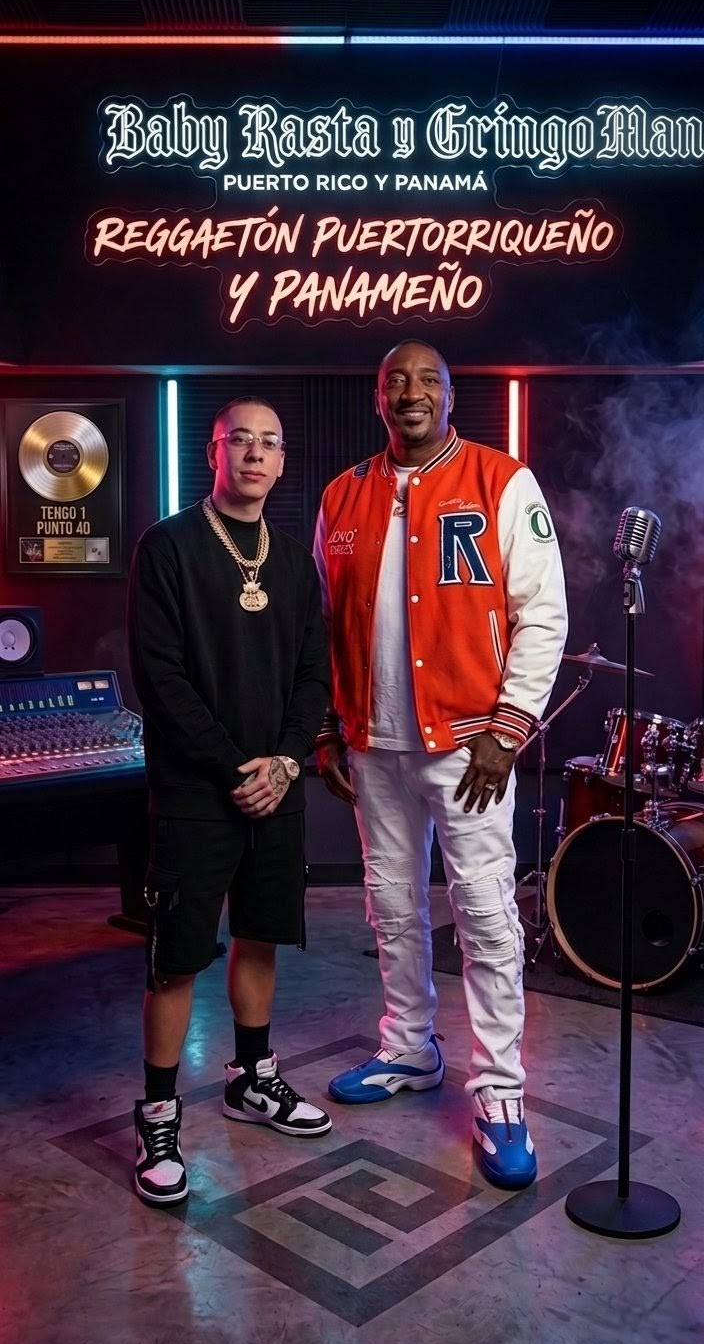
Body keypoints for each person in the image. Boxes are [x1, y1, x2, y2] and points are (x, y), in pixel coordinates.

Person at [313, 340, 567, 1190]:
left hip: (469, 746)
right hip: (374, 744)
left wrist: (507, 729)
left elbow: (544, 614)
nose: (410, 391)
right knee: (391, 904)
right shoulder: (341, 495)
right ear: (377, 397)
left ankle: (499, 1091)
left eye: (428, 379)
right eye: (396, 380)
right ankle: (409, 1047)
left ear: (451, 396)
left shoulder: (502, 481)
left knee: (487, 914)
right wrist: (330, 725)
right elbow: (325, 623)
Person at [127, 395, 332, 1207]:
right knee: (176, 958)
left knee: (260, 935)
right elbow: (160, 676)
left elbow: (314, 676)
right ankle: (158, 1114)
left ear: (281, 462)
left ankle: (253, 1077)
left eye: (267, 443)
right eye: (238, 440)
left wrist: (285, 760)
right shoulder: (168, 546)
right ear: (213, 452)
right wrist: (234, 766)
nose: (253, 453)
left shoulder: (295, 563)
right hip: (195, 793)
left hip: (275, 787)